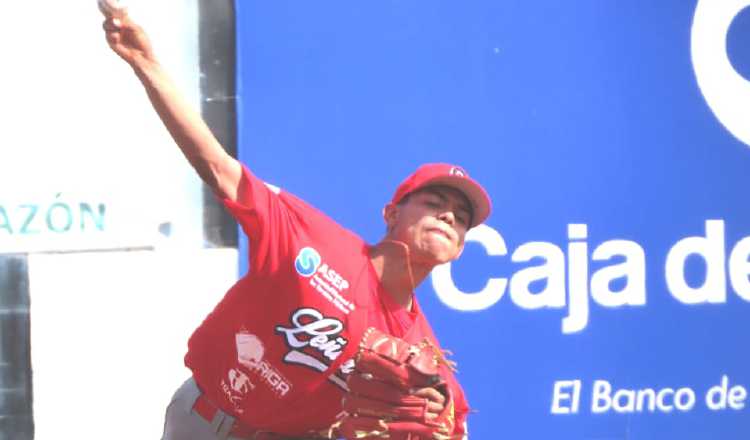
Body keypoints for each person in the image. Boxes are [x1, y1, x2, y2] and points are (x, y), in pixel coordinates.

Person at [101, 7, 491, 440]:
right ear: (391, 213)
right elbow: (217, 166)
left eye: (460, 220)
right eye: (434, 202)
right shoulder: (314, 242)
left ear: (458, 249)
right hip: (200, 419)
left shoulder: (421, 354)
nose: (448, 216)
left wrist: (445, 423)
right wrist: (145, 63)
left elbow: (455, 426)